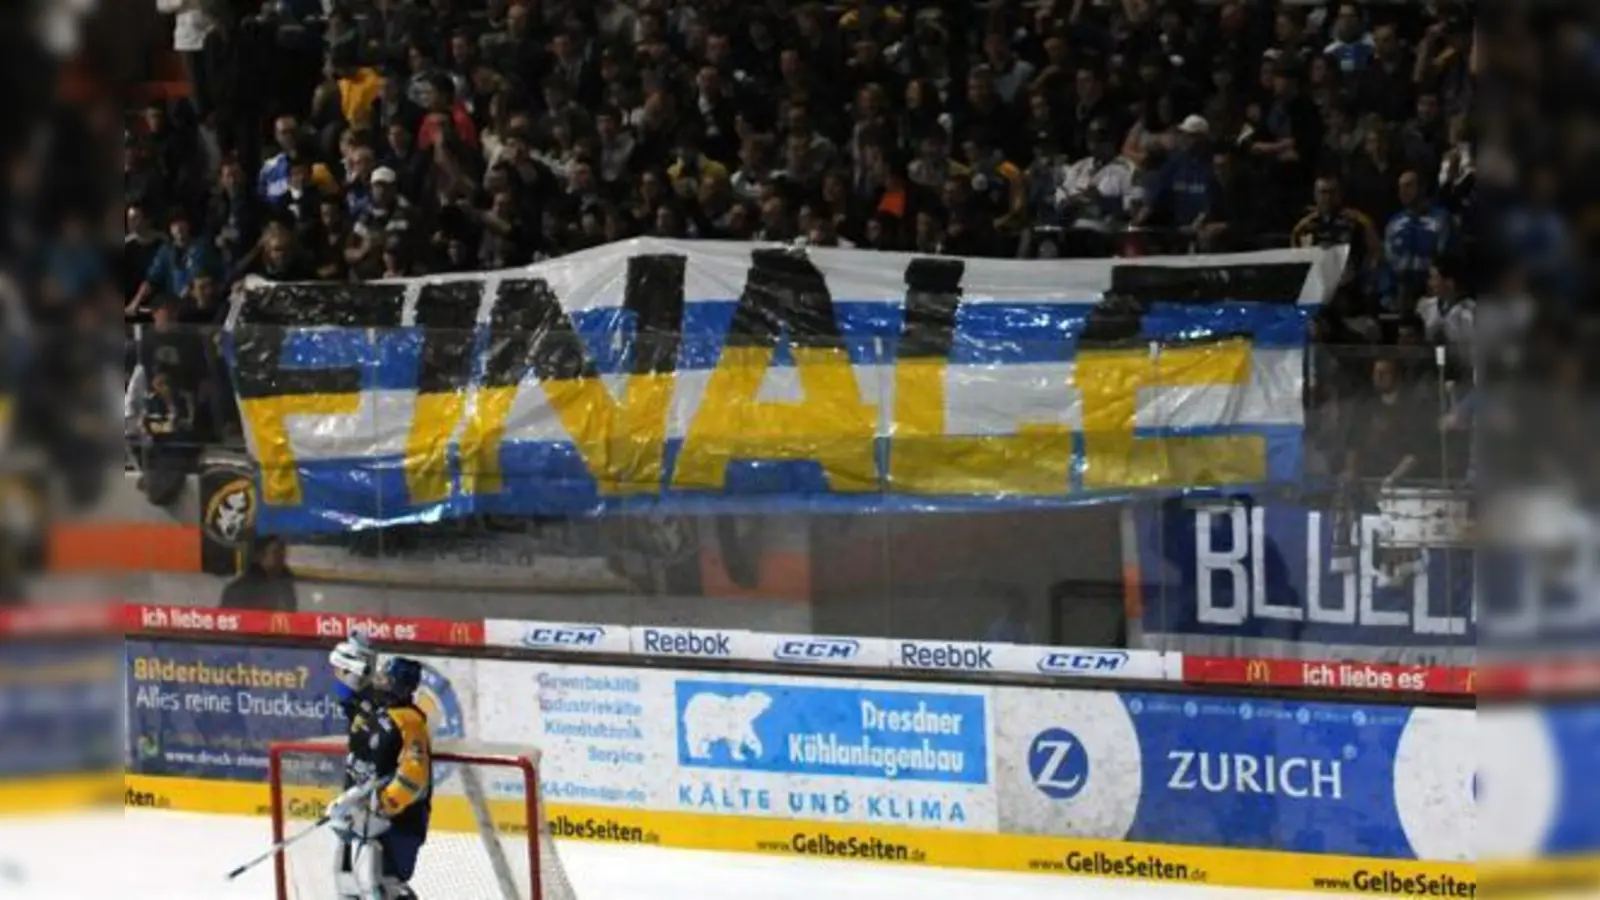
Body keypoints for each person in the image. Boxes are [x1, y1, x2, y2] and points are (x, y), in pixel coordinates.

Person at [324, 655, 433, 900]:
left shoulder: (409, 721)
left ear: (401, 686)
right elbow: (347, 699)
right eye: (380, 676)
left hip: (398, 822)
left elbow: (413, 776)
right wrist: (345, 669)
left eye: (386, 678)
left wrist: (382, 806)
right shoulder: (376, 708)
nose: (380, 682)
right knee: (349, 882)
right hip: (361, 814)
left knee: (385, 885)